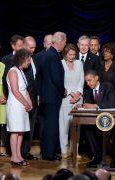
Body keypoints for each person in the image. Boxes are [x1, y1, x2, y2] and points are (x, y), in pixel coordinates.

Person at [40, 32, 67, 161]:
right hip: (52, 96)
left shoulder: (50, 53)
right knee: (51, 125)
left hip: (49, 95)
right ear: (60, 41)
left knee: (50, 124)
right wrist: (63, 90)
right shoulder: (52, 55)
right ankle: (48, 154)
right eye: (65, 42)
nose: (65, 44)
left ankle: (49, 151)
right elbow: (56, 77)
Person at [81, 70, 115, 168]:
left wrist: (95, 106)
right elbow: (88, 107)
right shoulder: (87, 92)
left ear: (96, 78)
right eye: (86, 82)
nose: (88, 84)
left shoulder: (107, 86)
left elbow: (111, 104)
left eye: (90, 80)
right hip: (95, 121)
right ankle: (97, 156)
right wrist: (82, 106)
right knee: (88, 129)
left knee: (114, 132)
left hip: (110, 120)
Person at [6, 48, 32, 166]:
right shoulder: (13, 71)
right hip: (15, 105)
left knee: (21, 131)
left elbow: (24, 90)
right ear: (22, 59)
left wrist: (29, 102)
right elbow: (16, 91)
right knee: (15, 131)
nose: (30, 61)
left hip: (22, 105)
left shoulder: (21, 71)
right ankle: (14, 157)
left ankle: (18, 154)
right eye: (28, 59)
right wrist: (25, 103)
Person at [60, 43, 84, 158]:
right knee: (64, 126)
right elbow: (61, 82)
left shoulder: (79, 63)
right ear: (65, 54)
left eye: (74, 54)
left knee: (76, 126)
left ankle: (75, 150)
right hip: (66, 99)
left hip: (78, 99)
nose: (72, 57)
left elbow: (82, 79)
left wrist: (78, 93)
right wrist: (70, 93)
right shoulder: (61, 64)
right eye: (70, 54)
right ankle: (64, 150)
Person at [21, 36, 39, 161]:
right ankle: (18, 151)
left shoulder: (34, 59)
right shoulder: (18, 60)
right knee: (21, 126)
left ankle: (26, 151)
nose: (33, 50)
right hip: (22, 99)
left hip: (33, 99)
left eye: (34, 48)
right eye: (30, 47)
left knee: (30, 126)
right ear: (24, 46)